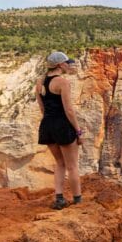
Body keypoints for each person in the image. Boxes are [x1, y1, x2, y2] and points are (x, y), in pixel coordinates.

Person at [36, 51, 83, 209]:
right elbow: (69, 110)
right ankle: (78, 201)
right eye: (67, 63)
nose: (69, 65)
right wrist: (78, 131)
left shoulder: (40, 81)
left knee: (59, 163)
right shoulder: (62, 82)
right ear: (60, 65)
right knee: (72, 166)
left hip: (47, 126)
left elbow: (42, 108)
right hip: (62, 126)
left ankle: (59, 198)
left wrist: (50, 122)